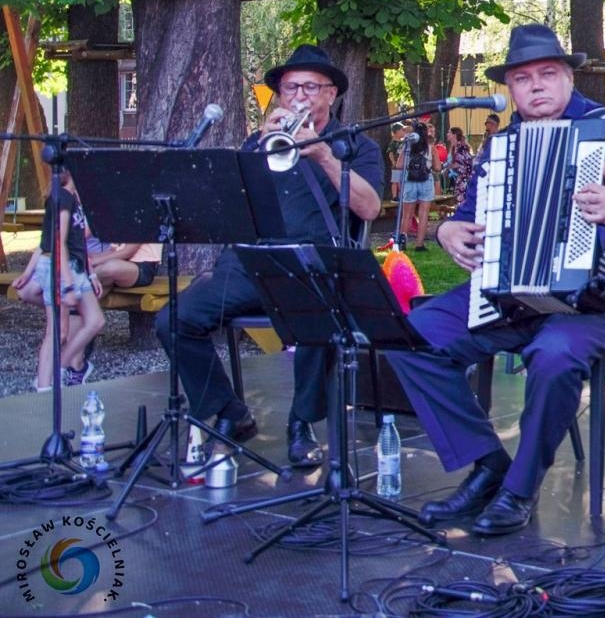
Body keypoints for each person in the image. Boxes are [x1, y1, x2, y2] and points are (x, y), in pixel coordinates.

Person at [387, 24, 605, 535]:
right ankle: (489, 465)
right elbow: (467, 216)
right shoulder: (502, 146)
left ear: (568, 78)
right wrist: (447, 230)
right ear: (512, 90)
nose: (536, 86)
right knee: (412, 337)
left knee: (555, 353)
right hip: (512, 295)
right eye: (523, 79)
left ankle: (519, 489)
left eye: (548, 74)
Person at [154, 44, 382, 467]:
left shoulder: (355, 147)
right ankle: (229, 411)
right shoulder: (258, 143)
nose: (299, 96)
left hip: (316, 265)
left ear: (332, 94)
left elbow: (369, 209)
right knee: (173, 319)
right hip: (250, 265)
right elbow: (228, 206)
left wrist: (323, 155)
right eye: (290, 87)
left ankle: (301, 422)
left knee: (322, 314)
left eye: (311, 86)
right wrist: (257, 149)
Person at [10, 173, 103, 390]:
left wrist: (91, 274)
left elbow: (76, 241)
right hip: (61, 268)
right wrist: (68, 284)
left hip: (76, 268)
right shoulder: (63, 198)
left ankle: (60, 369)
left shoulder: (74, 199)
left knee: (96, 321)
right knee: (58, 332)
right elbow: (57, 242)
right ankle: (43, 387)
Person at [399, 119, 437, 250]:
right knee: (423, 214)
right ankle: (419, 244)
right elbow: (437, 167)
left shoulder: (408, 146)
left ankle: (402, 242)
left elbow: (399, 165)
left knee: (407, 215)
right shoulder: (431, 147)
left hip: (410, 181)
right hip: (426, 181)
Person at [447, 127, 475, 195]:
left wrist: (446, 167)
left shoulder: (461, 147)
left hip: (465, 179)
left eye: (449, 133)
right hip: (459, 178)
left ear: (454, 135)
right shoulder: (455, 147)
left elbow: (459, 164)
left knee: (462, 199)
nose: (447, 134)